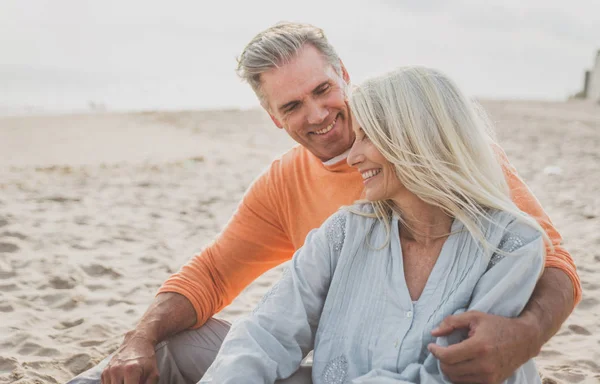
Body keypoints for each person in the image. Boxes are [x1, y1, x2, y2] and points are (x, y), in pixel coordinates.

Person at [69, 22, 580, 384]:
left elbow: (551, 259)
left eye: (323, 89)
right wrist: (136, 337)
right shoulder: (316, 208)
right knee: (167, 349)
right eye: (292, 105)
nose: (318, 115)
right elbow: (217, 281)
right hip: (337, 366)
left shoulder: (456, 159)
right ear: (275, 119)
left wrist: (525, 335)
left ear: (345, 76)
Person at [199, 65, 548, 383]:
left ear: (414, 137)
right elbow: (267, 331)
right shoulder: (344, 232)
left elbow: (445, 377)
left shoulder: (512, 243)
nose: (352, 157)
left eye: (368, 137)